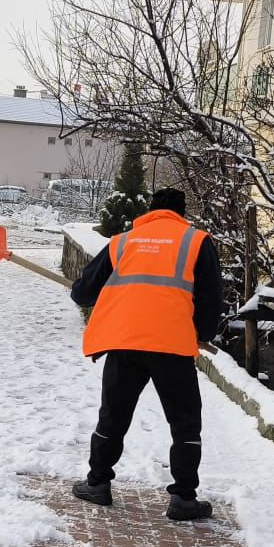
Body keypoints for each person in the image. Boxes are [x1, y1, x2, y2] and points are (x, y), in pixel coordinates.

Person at [69, 188, 225, 521]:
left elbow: (83, 293)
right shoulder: (196, 241)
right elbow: (211, 299)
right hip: (172, 346)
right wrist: (202, 335)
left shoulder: (123, 241)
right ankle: (184, 498)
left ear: (150, 210)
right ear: (181, 213)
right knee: (185, 423)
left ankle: (97, 483)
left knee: (113, 415)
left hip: (125, 343)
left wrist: (84, 291)